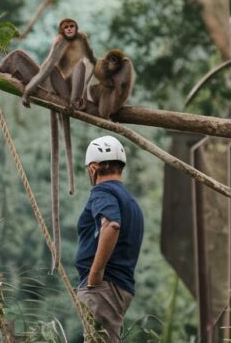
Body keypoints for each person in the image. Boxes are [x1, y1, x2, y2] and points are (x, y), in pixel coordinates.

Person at [75, 135, 144, 342]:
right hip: (118, 286)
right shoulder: (130, 201)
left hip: (104, 287)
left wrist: (95, 275)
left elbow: (111, 225)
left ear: (94, 168)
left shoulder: (102, 192)